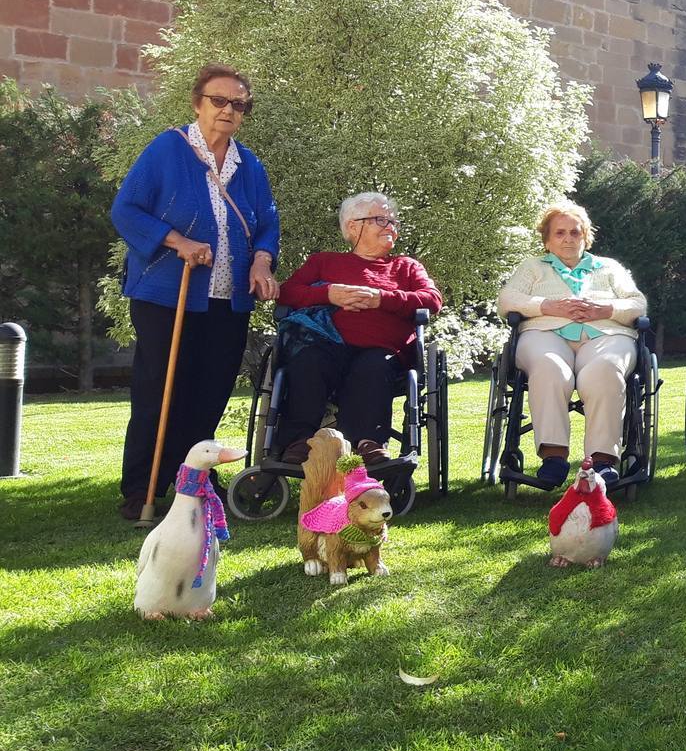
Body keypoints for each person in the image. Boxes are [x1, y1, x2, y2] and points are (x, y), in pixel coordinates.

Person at [111, 64, 280, 520]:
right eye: (219, 100)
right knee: (160, 387)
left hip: (229, 297)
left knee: (210, 389)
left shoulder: (248, 164)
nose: (228, 110)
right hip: (169, 292)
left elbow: (266, 222)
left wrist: (262, 261)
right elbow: (126, 209)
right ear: (197, 103)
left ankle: (197, 478)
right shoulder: (169, 149)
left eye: (238, 104)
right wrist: (178, 242)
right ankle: (143, 486)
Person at [273, 192, 443, 474]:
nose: (390, 227)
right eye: (380, 220)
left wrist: (382, 299)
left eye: (392, 221)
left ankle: (368, 442)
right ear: (353, 226)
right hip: (328, 343)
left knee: (374, 365)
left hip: (382, 350)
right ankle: (299, 442)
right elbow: (287, 293)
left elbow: (432, 299)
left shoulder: (406, 266)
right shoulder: (324, 262)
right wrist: (329, 293)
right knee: (308, 361)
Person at [497, 201, 648, 486]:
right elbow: (507, 301)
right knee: (550, 367)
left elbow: (638, 303)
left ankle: (602, 461)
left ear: (585, 236)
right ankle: (554, 456)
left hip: (606, 335)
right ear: (547, 238)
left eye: (575, 232)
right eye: (560, 233)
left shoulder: (609, 267)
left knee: (604, 369)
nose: (568, 239)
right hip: (545, 333)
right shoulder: (532, 268)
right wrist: (549, 306)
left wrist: (605, 310)